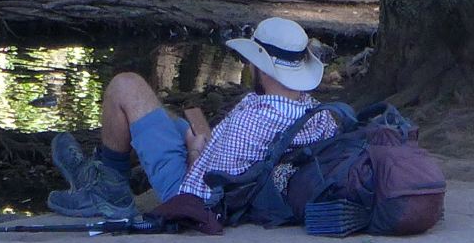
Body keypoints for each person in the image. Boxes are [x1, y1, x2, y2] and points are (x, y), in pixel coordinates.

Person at [48, 16, 338, 219]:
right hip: (240, 184)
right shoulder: (316, 113)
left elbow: (197, 191)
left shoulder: (253, 121)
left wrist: (194, 150)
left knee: (126, 86)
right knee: (174, 121)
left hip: (190, 197)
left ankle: (108, 188)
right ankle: (104, 174)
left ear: (259, 65)